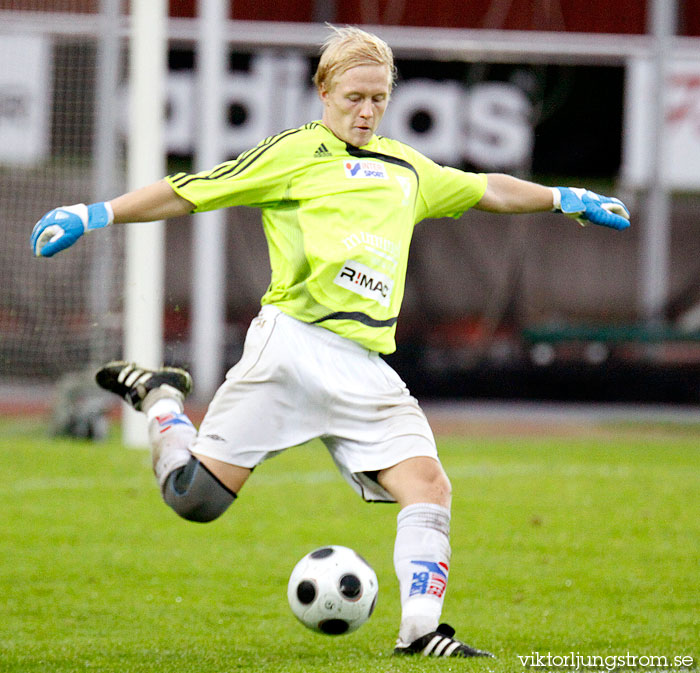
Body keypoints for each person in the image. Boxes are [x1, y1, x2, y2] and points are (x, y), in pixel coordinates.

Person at [30, 25, 630, 658]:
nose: (367, 110)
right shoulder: (292, 154)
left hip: (364, 366)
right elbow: (190, 191)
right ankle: (160, 400)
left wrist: (567, 197)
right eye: (354, 96)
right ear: (323, 90)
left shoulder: (408, 169)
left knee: (429, 484)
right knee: (195, 502)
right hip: (289, 350)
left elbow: (487, 188)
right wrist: (98, 213)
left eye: (379, 97)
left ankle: (421, 633)